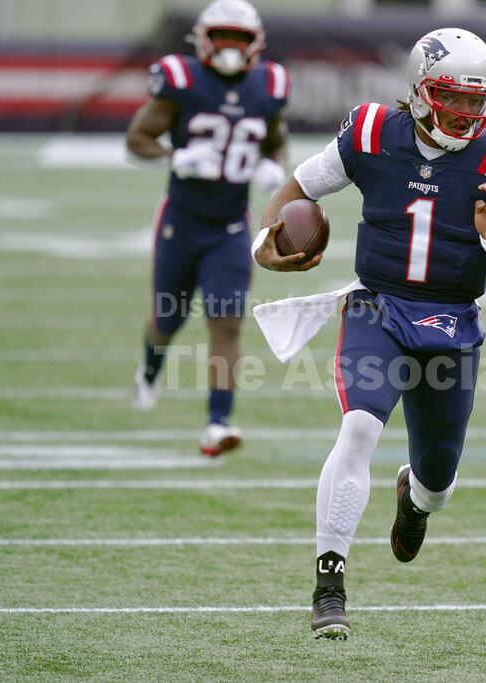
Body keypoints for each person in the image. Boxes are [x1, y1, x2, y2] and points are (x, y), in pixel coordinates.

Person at [252, 28, 486, 639]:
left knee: (438, 483)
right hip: (378, 308)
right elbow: (296, 189)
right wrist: (267, 242)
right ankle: (328, 584)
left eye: (476, 99)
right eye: (452, 96)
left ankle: (414, 501)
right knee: (359, 426)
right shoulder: (368, 132)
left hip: (452, 320)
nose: (466, 112)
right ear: (417, 91)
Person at [125, 0, 288, 455]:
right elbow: (136, 138)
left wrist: (275, 166)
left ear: (255, 44)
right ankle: (150, 369)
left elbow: (275, 139)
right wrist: (173, 156)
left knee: (226, 319)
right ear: (203, 39)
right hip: (181, 221)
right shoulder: (181, 80)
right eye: (222, 36)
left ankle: (218, 422)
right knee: (168, 317)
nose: (231, 47)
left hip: (231, 226)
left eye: (239, 38)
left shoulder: (268, 85)